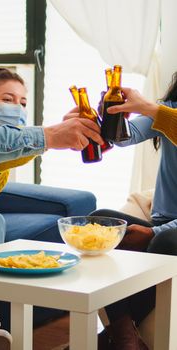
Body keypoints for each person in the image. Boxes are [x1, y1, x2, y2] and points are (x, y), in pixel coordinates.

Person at [0, 68, 103, 350]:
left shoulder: (10, 155)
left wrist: (61, 133)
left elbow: (14, 148)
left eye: (23, 102)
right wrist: (49, 136)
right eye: (8, 99)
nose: (18, 107)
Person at [88, 72, 177, 350]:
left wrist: (154, 232)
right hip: (164, 219)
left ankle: (120, 336)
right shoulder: (169, 112)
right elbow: (126, 137)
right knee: (99, 222)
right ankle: (125, 332)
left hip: (166, 231)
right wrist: (113, 116)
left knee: (165, 240)